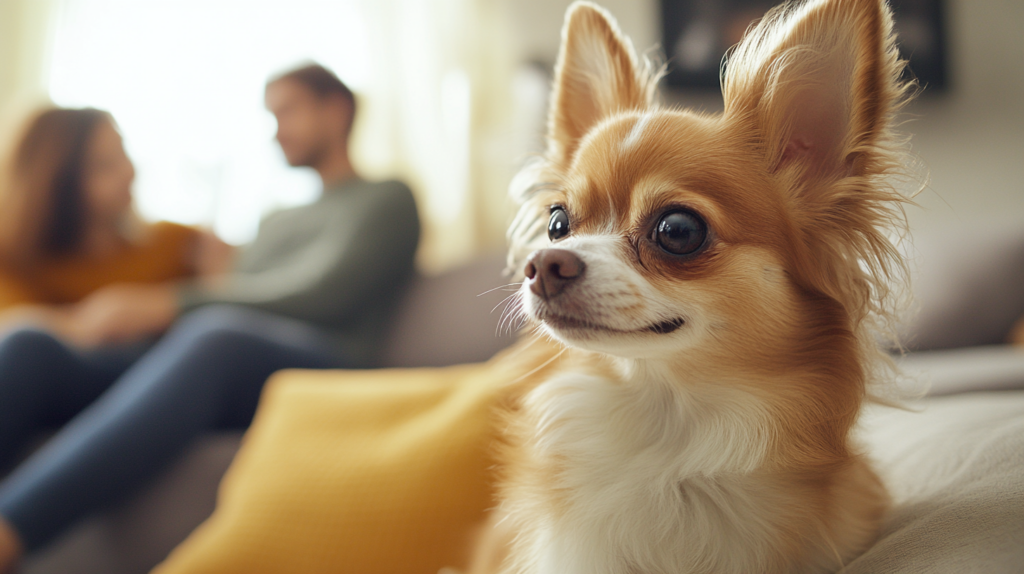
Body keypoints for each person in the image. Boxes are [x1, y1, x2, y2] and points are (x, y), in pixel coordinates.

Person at [0, 63, 420, 570]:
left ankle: (9, 532)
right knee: (32, 345)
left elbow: (321, 294)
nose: (276, 130)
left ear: (336, 111)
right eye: (271, 116)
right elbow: (235, 291)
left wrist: (171, 303)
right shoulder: (274, 218)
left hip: (327, 365)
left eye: (287, 112)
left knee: (216, 336)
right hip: (229, 359)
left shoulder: (388, 198)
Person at [0, 106, 219, 339]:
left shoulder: (175, 242)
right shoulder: (15, 261)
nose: (128, 172)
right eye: (104, 165)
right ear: (58, 185)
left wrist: (216, 276)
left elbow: (222, 299)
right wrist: (86, 323)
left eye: (123, 153)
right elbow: (11, 330)